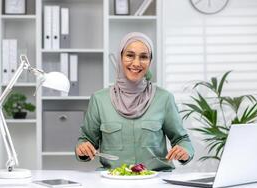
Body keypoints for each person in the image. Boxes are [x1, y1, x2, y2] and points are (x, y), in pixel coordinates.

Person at [75, 32, 194, 171]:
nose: (136, 63)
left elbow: (182, 140)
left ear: (150, 61)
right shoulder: (99, 99)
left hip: (156, 182)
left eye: (143, 57)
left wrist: (184, 151)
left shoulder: (164, 98)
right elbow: (86, 140)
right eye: (130, 55)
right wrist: (83, 149)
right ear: (120, 58)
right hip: (112, 183)